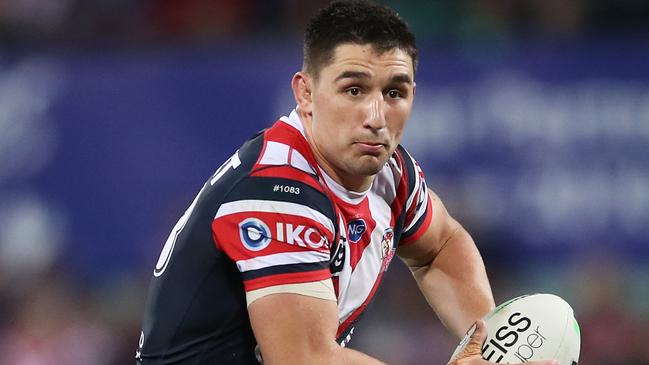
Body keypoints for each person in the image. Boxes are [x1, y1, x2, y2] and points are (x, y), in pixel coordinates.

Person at [136, 1, 559, 364]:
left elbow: (441, 246)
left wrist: (489, 345)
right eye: (354, 89)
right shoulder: (279, 192)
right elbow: (305, 359)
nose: (376, 117)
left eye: (395, 93)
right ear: (305, 94)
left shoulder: (389, 172)